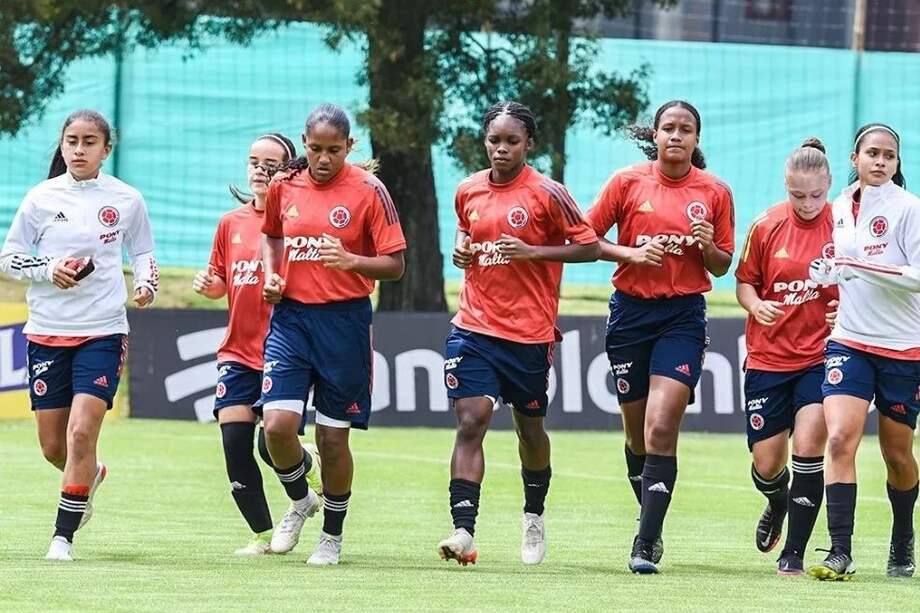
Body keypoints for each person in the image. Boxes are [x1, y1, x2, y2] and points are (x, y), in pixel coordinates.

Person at [437, 101, 599, 567]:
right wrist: (461, 252)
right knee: (471, 421)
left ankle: (533, 513)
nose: (501, 149)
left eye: (512, 141)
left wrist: (533, 251)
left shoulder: (548, 193)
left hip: (529, 335)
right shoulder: (468, 189)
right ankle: (464, 530)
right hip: (473, 327)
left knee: (530, 431)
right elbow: (466, 237)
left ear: (529, 144)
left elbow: (588, 246)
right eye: (494, 140)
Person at [0, 109, 158, 561]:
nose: (79, 149)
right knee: (54, 448)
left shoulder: (127, 199)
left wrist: (146, 282)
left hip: (102, 331)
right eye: (72, 140)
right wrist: (49, 270)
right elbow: (9, 257)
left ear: (106, 149)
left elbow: (143, 249)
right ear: (62, 144)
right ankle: (93, 474)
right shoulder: (40, 198)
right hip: (46, 332)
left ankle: (62, 538)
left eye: (90, 142)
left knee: (80, 434)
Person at [586, 100, 735, 574]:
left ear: (697, 138)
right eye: (668, 128)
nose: (676, 135)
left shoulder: (714, 191)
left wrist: (708, 243)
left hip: (682, 317)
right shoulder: (627, 182)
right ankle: (652, 512)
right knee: (635, 434)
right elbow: (587, 240)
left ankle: (645, 542)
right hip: (630, 316)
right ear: (654, 134)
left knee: (660, 426)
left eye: (685, 129)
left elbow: (723, 263)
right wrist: (630, 254)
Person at [259, 103, 406, 565]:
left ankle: (332, 535)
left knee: (332, 439)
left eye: (334, 151)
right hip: (291, 319)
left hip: (344, 323)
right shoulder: (284, 184)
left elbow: (396, 265)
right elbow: (273, 236)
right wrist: (272, 274)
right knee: (278, 428)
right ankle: (302, 498)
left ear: (349, 147)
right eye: (317, 149)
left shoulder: (369, 190)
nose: (324, 159)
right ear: (304, 145)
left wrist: (352, 261)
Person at [192, 133, 322, 555]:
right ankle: (264, 534)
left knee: (272, 444)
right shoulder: (230, 223)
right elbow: (219, 282)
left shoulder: (299, 219)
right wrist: (209, 284)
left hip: (284, 349)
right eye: (253, 161)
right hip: (237, 351)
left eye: (271, 163)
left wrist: (282, 287)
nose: (259, 170)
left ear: (289, 169)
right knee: (234, 443)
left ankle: (305, 469)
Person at [808, 123, 920, 581]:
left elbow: (915, 278)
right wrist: (828, 273)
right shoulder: (839, 206)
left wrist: (856, 266)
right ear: (854, 158)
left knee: (897, 454)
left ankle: (902, 536)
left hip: (901, 347)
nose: (879, 161)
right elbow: (847, 269)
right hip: (850, 340)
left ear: (896, 163)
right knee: (838, 439)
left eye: (888, 155)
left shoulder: (909, 208)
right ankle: (840, 550)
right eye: (871, 153)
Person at [735, 138, 837, 575]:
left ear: (829, 184)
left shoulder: (846, 225)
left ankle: (793, 553)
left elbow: (866, 283)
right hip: (767, 358)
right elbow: (744, 284)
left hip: (821, 355)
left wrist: (846, 309)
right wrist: (756, 305)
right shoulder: (766, 226)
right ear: (785, 186)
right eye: (798, 195)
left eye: (817, 194)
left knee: (810, 445)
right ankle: (777, 502)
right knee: (767, 463)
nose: (809, 204)